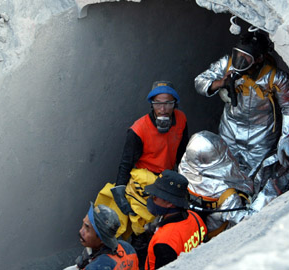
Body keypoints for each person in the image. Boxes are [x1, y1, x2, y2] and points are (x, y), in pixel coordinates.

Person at [195, 31, 289, 212]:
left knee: (255, 178)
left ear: (258, 59)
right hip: (230, 129)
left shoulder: (276, 78)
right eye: (237, 55)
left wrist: (284, 138)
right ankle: (221, 209)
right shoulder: (227, 64)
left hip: (261, 136)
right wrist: (221, 83)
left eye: (246, 58)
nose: (239, 61)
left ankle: (245, 212)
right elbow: (199, 81)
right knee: (223, 170)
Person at [96, 81, 188, 237]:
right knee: (144, 224)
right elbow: (126, 163)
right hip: (144, 182)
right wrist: (119, 190)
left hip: (166, 178)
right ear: (151, 104)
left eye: (168, 103)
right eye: (158, 103)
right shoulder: (138, 130)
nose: (163, 109)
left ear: (175, 104)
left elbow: (182, 153)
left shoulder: (181, 120)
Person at [178, 130, 254, 237]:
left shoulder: (184, 166)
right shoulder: (226, 193)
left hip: (193, 228)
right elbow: (245, 220)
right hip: (216, 234)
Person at [144, 170, 207, 270]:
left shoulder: (164, 242)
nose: (151, 199)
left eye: (155, 196)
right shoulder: (195, 217)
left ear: (169, 203)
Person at [64, 203, 138, 270]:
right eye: (83, 224)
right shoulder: (127, 248)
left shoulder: (96, 267)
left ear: (102, 239)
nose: (81, 231)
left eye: (87, 228)